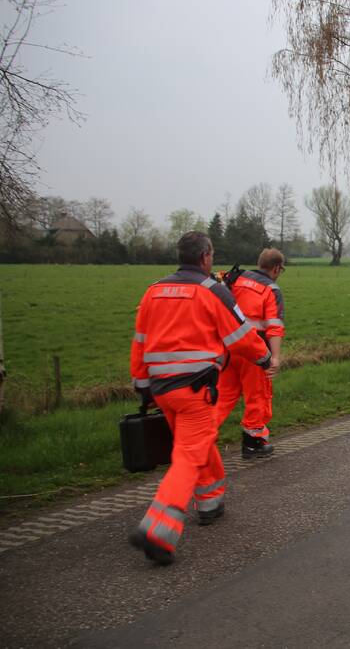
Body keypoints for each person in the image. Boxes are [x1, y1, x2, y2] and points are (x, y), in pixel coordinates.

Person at [129, 232, 272, 565]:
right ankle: (158, 530)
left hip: (161, 389)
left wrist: (142, 386)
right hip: (195, 389)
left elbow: (140, 342)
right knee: (188, 456)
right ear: (206, 256)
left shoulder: (154, 291)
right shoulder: (212, 291)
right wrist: (264, 357)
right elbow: (241, 336)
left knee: (198, 444)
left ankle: (210, 502)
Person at [215, 248, 286, 459]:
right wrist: (275, 358)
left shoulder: (234, 278)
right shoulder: (271, 290)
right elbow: (274, 327)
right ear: (276, 268)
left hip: (228, 348)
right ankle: (253, 443)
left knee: (223, 396)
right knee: (258, 396)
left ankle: (196, 438)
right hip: (255, 351)